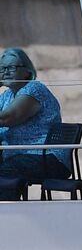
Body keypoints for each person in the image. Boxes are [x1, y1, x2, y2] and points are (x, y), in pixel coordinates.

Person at [0, 47, 69, 199]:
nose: (6, 72)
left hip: (47, 157)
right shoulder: (7, 95)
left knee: (4, 171)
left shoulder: (35, 89)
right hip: (17, 156)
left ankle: (8, 216)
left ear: (27, 70)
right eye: (2, 68)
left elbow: (7, 118)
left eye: (11, 67)